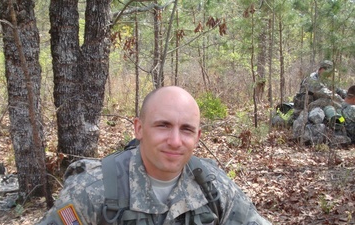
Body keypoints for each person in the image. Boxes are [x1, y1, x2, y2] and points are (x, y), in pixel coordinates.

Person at [36, 86, 271, 225]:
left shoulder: (212, 187)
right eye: (163, 125)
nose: (175, 141)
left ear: (197, 137)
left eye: (186, 129)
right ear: (139, 128)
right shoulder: (94, 190)